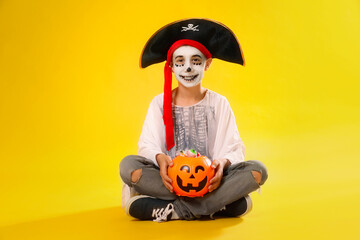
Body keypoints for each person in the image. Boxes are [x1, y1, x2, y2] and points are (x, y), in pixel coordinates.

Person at [119, 18, 268, 222]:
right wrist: (160, 158)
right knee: (128, 165)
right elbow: (147, 145)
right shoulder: (159, 104)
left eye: (195, 61)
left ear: (207, 64)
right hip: (170, 179)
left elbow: (234, 147)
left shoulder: (219, 103)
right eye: (180, 62)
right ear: (171, 66)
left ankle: (175, 210)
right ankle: (217, 206)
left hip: (210, 182)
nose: (187, 68)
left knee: (257, 171)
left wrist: (222, 163)